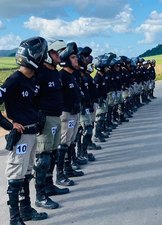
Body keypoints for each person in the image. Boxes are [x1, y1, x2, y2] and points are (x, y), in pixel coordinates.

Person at [0, 36, 48, 225]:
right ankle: (14, 218)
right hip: (20, 136)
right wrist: (9, 125)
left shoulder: (32, 80)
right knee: (16, 175)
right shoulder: (14, 80)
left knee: (27, 173)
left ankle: (26, 209)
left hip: (32, 133)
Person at [34, 39, 70, 210]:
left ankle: (49, 185)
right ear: (48, 55)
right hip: (45, 119)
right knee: (43, 157)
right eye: (56, 53)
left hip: (56, 117)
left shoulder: (55, 72)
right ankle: (40, 195)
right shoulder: (39, 73)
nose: (59, 55)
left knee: (53, 154)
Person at [57, 42, 84, 186]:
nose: (76, 60)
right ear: (66, 60)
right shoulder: (61, 76)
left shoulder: (72, 75)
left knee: (71, 141)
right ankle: (60, 174)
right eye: (73, 57)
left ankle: (69, 168)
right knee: (63, 144)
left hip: (74, 113)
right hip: (66, 115)